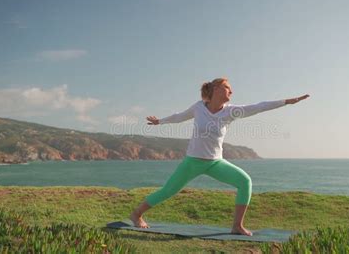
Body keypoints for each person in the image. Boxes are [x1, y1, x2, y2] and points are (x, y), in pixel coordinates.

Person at [130, 77, 310, 236]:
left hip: (215, 163)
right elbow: (180, 117)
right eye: (227, 87)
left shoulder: (231, 111)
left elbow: (258, 107)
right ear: (216, 89)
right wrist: (159, 121)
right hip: (193, 161)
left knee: (244, 181)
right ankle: (137, 214)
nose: (231, 91)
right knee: (168, 191)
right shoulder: (199, 107)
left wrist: (286, 101)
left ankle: (237, 226)